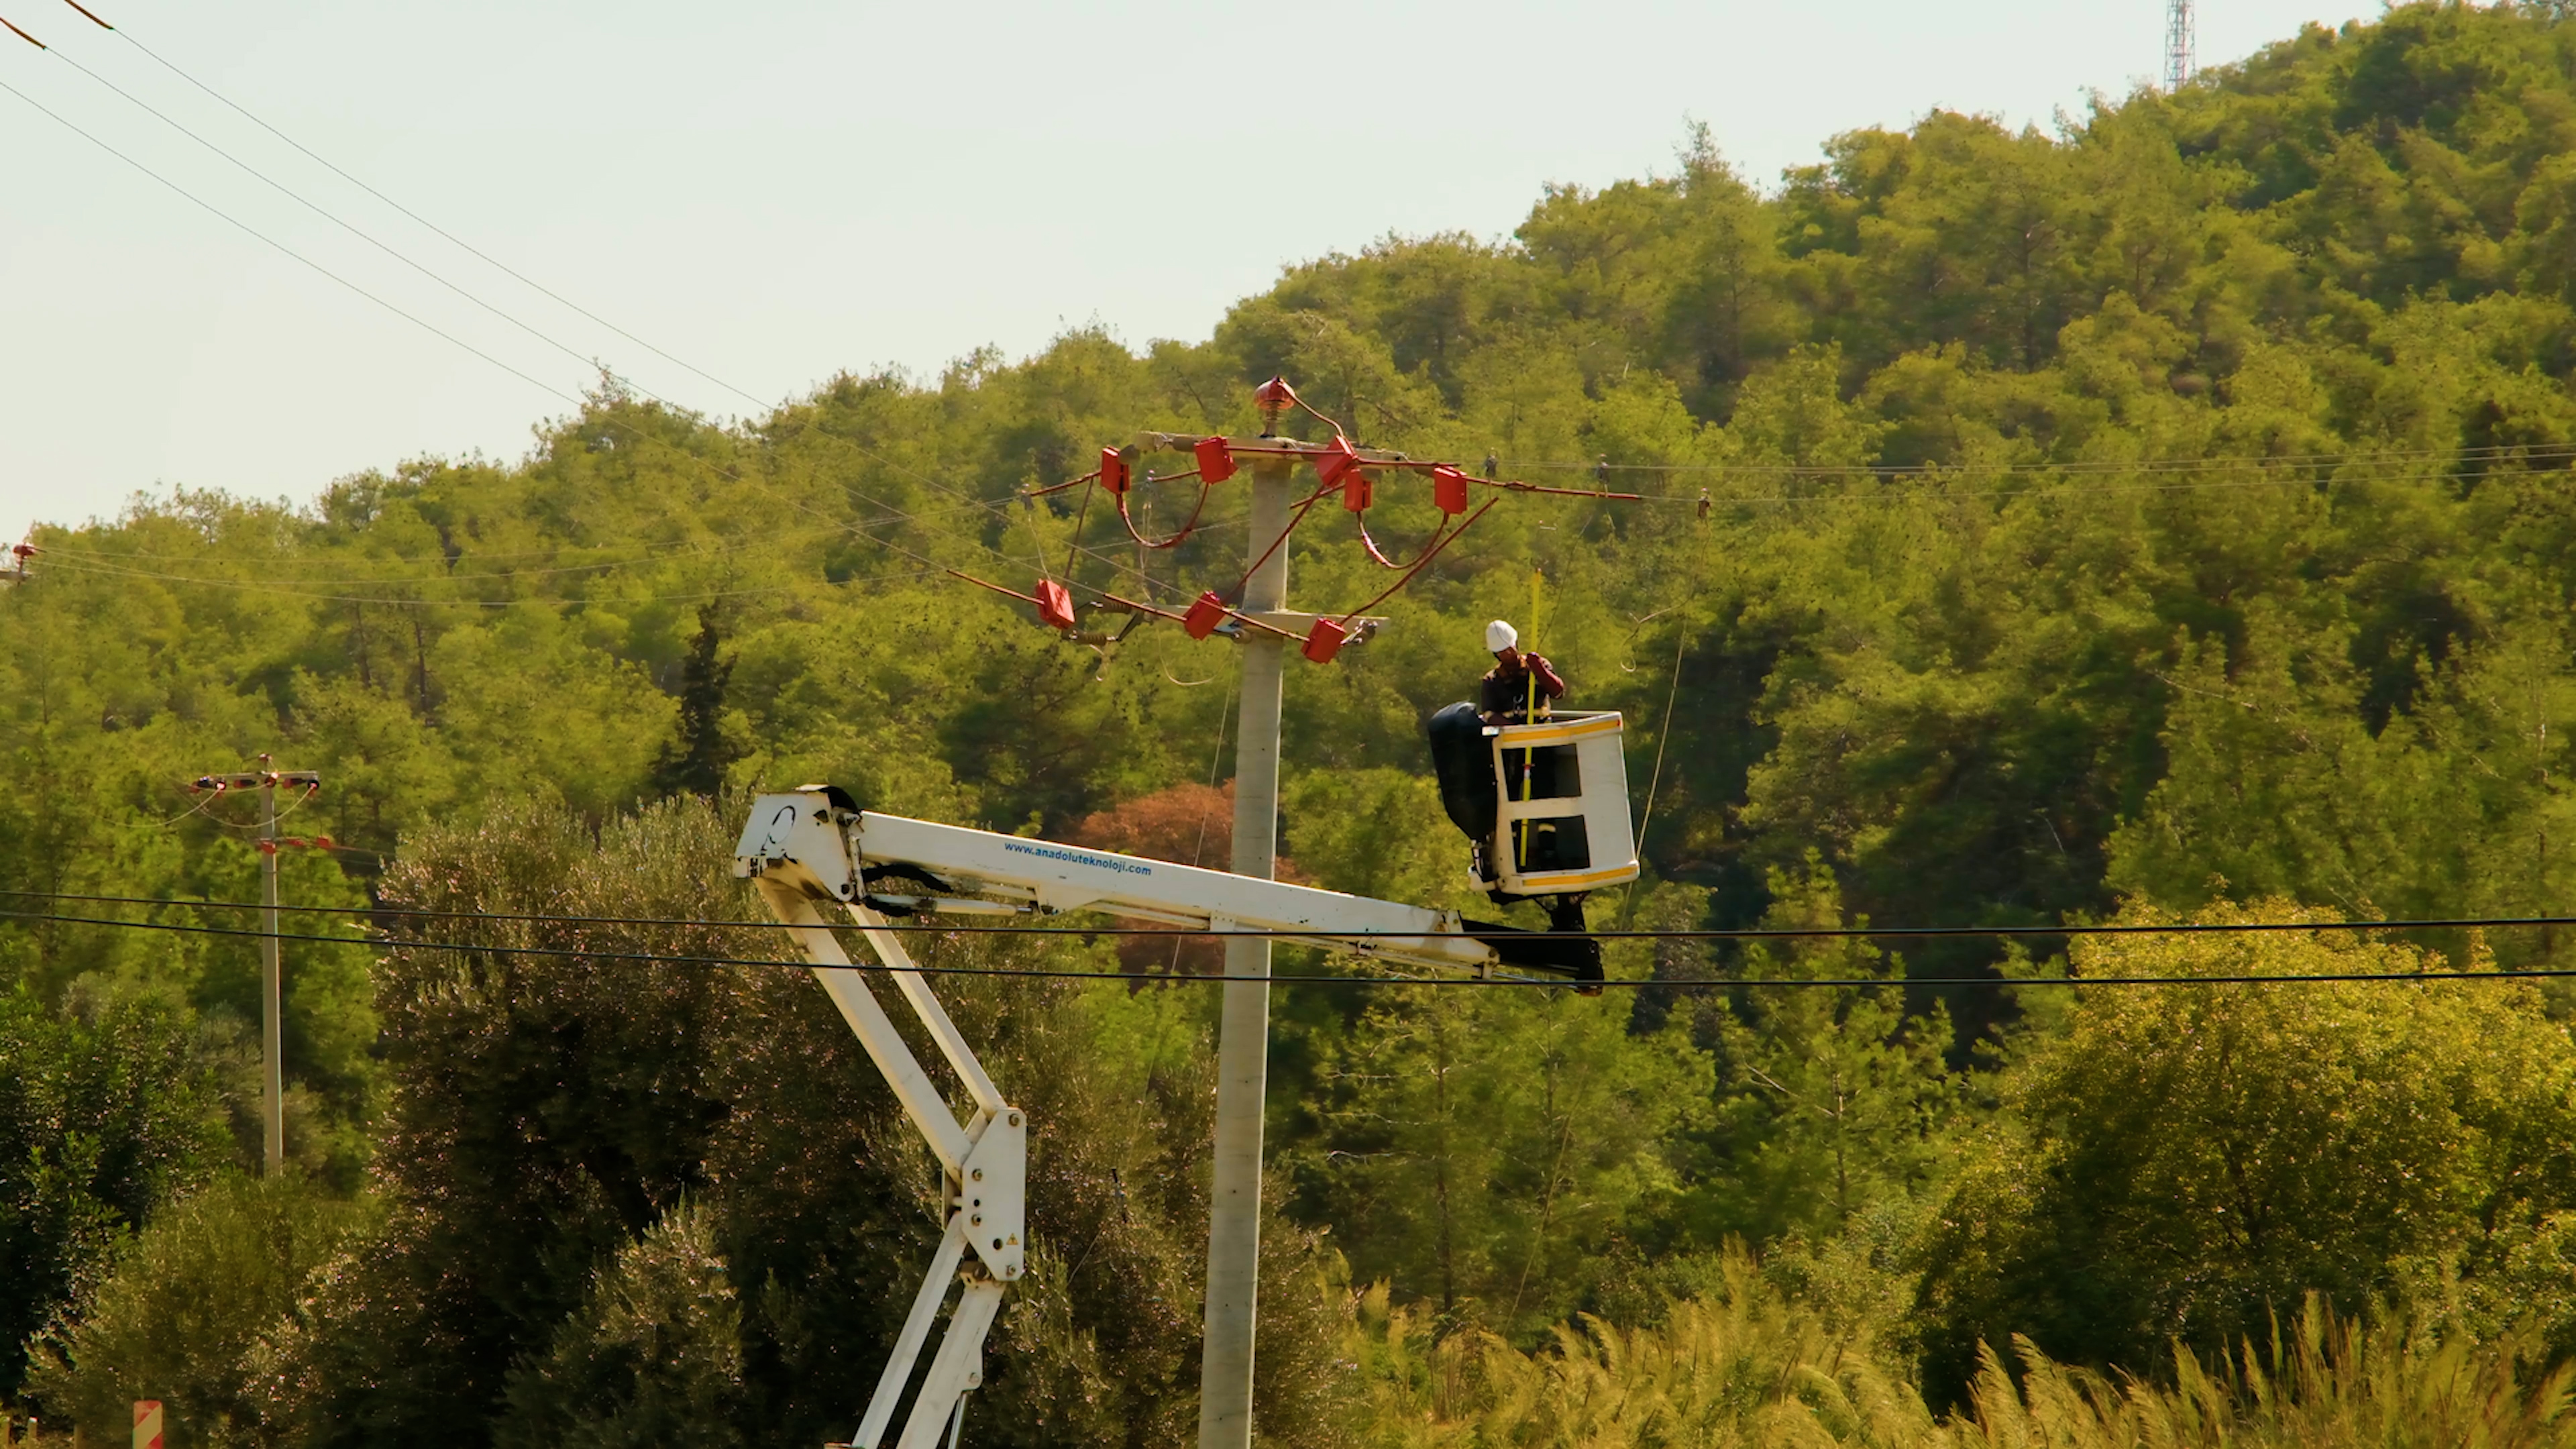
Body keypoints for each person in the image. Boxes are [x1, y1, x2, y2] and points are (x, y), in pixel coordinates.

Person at [1478, 619, 1566, 725]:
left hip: (1542, 729)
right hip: (1511, 735)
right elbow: (1489, 716)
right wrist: (1516, 731)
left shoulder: (1538, 665)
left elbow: (1558, 693)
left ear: (1516, 644)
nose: (1508, 655)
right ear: (1496, 655)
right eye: (1502, 653)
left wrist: (1539, 670)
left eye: (1510, 650)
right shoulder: (1492, 680)